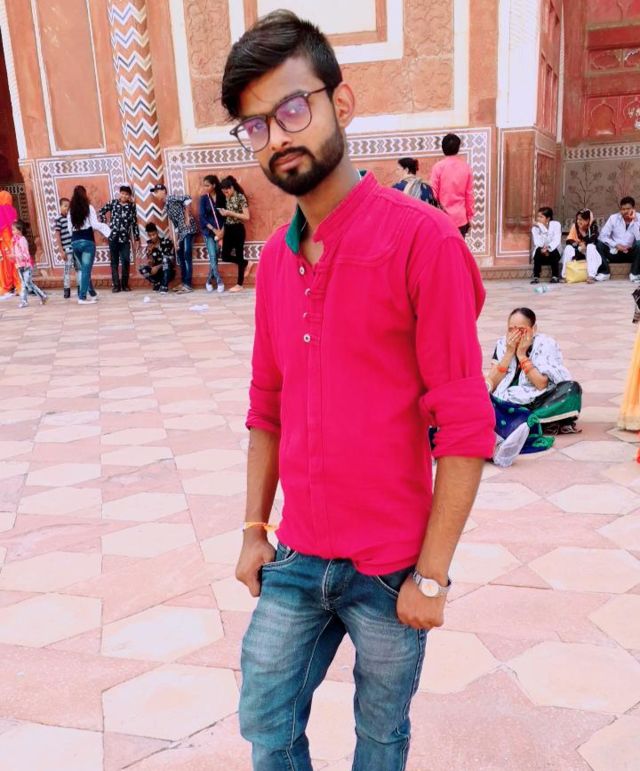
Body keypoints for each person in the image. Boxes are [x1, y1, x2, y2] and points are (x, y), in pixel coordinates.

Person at [222, 11, 494, 769]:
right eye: (255, 126)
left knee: (380, 731)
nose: (277, 138)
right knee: (265, 717)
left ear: (341, 102)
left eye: (292, 108)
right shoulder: (275, 264)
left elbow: (465, 423)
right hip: (298, 554)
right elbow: (266, 407)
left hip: (391, 565)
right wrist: (253, 528)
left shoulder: (422, 241)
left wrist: (431, 575)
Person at [486, 307, 582, 467]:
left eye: (521, 330)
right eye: (511, 330)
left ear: (534, 329)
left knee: (571, 390)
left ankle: (522, 421)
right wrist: (509, 353)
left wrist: (522, 355)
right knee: (481, 396)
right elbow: (492, 383)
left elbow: (541, 383)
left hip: (538, 400)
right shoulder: (503, 344)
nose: (515, 334)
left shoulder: (545, 344)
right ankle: (528, 422)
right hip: (506, 401)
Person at [150, 184, 197, 292]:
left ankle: (188, 284)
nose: (156, 194)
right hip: (181, 232)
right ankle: (184, 282)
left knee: (186, 254)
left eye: (157, 191)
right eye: (155, 192)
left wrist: (187, 216)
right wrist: (175, 241)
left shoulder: (171, 198)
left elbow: (187, 198)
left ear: (164, 191)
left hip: (188, 229)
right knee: (180, 256)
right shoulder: (166, 207)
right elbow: (175, 225)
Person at [67, 185, 110, 305]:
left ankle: (93, 293)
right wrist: (107, 229)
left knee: (85, 270)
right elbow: (95, 225)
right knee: (86, 270)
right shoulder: (89, 207)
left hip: (75, 242)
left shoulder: (70, 211)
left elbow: (69, 229)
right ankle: (82, 297)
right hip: (87, 241)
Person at [430, 133, 474, 237]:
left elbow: (433, 194)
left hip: (442, 219)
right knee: (459, 246)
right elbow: (469, 195)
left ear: (443, 148)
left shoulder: (438, 167)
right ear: (458, 148)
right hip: (461, 219)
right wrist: (469, 216)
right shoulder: (466, 167)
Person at [99, 185, 140, 293]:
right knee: (114, 262)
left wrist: (137, 238)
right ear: (119, 193)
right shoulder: (113, 203)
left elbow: (134, 223)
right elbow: (101, 211)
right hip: (113, 237)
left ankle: (125, 285)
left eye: (126, 194)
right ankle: (116, 285)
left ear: (129, 196)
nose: (124, 196)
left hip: (125, 239)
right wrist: (105, 224)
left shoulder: (131, 207)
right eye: (122, 193)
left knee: (126, 260)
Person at [596, 196, 640, 281]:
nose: (625, 211)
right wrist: (616, 245)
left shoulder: (639, 218)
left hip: (631, 253)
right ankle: (605, 272)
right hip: (615, 252)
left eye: (628, 209)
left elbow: (639, 239)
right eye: (623, 209)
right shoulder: (613, 218)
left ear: (633, 209)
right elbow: (602, 236)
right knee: (598, 243)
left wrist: (634, 220)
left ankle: (634, 273)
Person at [218, 175, 250, 292]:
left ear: (231, 188)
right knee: (225, 256)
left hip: (238, 229)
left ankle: (239, 284)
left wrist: (230, 213)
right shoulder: (226, 197)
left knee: (239, 255)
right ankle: (246, 263)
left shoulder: (240, 197)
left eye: (226, 191)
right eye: (223, 192)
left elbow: (247, 216)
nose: (225, 194)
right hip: (228, 228)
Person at [560, 208, 603, 283]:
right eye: (577, 219)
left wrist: (583, 234)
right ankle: (565, 276)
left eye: (581, 219)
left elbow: (592, 241)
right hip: (578, 251)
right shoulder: (575, 226)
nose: (578, 221)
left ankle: (591, 276)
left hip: (591, 254)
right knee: (568, 248)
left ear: (587, 220)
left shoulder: (593, 227)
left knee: (590, 247)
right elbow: (569, 241)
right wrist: (578, 245)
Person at [199, 175, 226, 293]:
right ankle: (219, 281)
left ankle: (208, 280)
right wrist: (214, 230)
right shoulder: (204, 199)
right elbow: (202, 217)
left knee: (215, 256)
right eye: (204, 185)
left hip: (221, 231)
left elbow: (226, 216)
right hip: (209, 232)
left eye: (207, 185)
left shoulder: (222, 197)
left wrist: (222, 231)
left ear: (214, 185)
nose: (205, 188)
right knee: (213, 256)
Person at [12, 220, 47, 308]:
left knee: (26, 284)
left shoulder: (22, 240)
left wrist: (15, 256)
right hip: (20, 265)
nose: (12, 232)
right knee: (26, 283)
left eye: (14, 230)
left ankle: (26, 301)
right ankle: (41, 296)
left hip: (26, 265)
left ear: (19, 230)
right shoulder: (15, 240)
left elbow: (25, 255)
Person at [53, 197, 79, 299]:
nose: (67, 208)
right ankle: (66, 290)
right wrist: (61, 251)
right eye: (65, 206)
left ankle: (80, 288)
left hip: (75, 248)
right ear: (60, 207)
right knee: (67, 270)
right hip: (67, 249)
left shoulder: (71, 219)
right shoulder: (58, 219)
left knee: (78, 269)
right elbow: (57, 236)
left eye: (68, 206)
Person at [138, 223, 176, 292]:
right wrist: (149, 255)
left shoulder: (166, 242)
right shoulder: (149, 246)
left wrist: (157, 267)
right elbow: (151, 264)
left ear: (157, 232)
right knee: (141, 268)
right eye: (150, 235)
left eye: (154, 234)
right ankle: (157, 283)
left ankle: (164, 286)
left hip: (168, 272)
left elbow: (171, 259)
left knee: (165, 259)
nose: (152, 237)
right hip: (157, 272)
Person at [530, 207, 561, 284]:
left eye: (541, 217)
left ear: (548, 218)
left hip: (553, 254)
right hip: (541, 253)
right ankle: (536, 277)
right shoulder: (535, 228)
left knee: (553, 251)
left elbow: (556, 240)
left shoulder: (556, 225)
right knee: (538, 250)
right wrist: (541, 227)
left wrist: (548, 248)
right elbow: (538, 243)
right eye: (538, 216)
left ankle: (555, 276)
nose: (538, 219)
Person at [0, 189, 19, 296]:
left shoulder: (2, 210)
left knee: (6, 264)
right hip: (11, 243)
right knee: (13, 263)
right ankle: (16, 285)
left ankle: (8, 286)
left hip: (5, 243)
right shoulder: (11, 210)